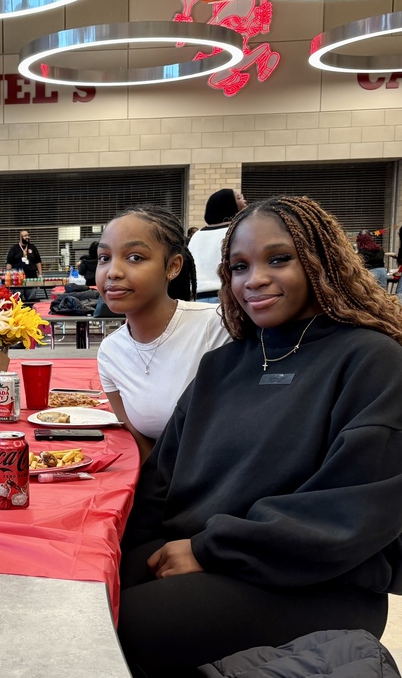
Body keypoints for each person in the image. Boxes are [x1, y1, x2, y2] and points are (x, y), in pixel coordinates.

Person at [118, 195, 402, 677]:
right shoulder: (221, 366)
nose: (255, 279)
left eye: (279, 259)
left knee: (113, 631)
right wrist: (132, 552)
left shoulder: (371, 360)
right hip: (203, 555)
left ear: (322, 262)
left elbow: (349, 512)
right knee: (79, 596)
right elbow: (159, 483)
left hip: (317, 582)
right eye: (239, 266)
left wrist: (208, 550)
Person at [96, 205, 230, 463]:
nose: (113, 272)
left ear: (173, 266)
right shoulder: (111, 352)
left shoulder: (217, 327)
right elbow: (139, 441)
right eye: (104, 258)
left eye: (135, 257)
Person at [188, 188, 247, 303]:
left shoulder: (197, 235)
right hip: (227, 296)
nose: (244, 200)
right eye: (239, 198)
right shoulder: (237, 231)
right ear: (228, 205)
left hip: (197, 298)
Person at [6, 230, 43, 300]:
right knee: (18, 300)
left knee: (31, 300)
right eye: (25, 236)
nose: (27, 237)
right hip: (18, 279)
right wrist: (9, 277)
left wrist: (40, 274)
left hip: (31, 278)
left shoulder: (33, 247)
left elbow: (38, 261)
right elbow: (9, 263)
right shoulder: (14, 248)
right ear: (20, 237)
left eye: (28, 235)